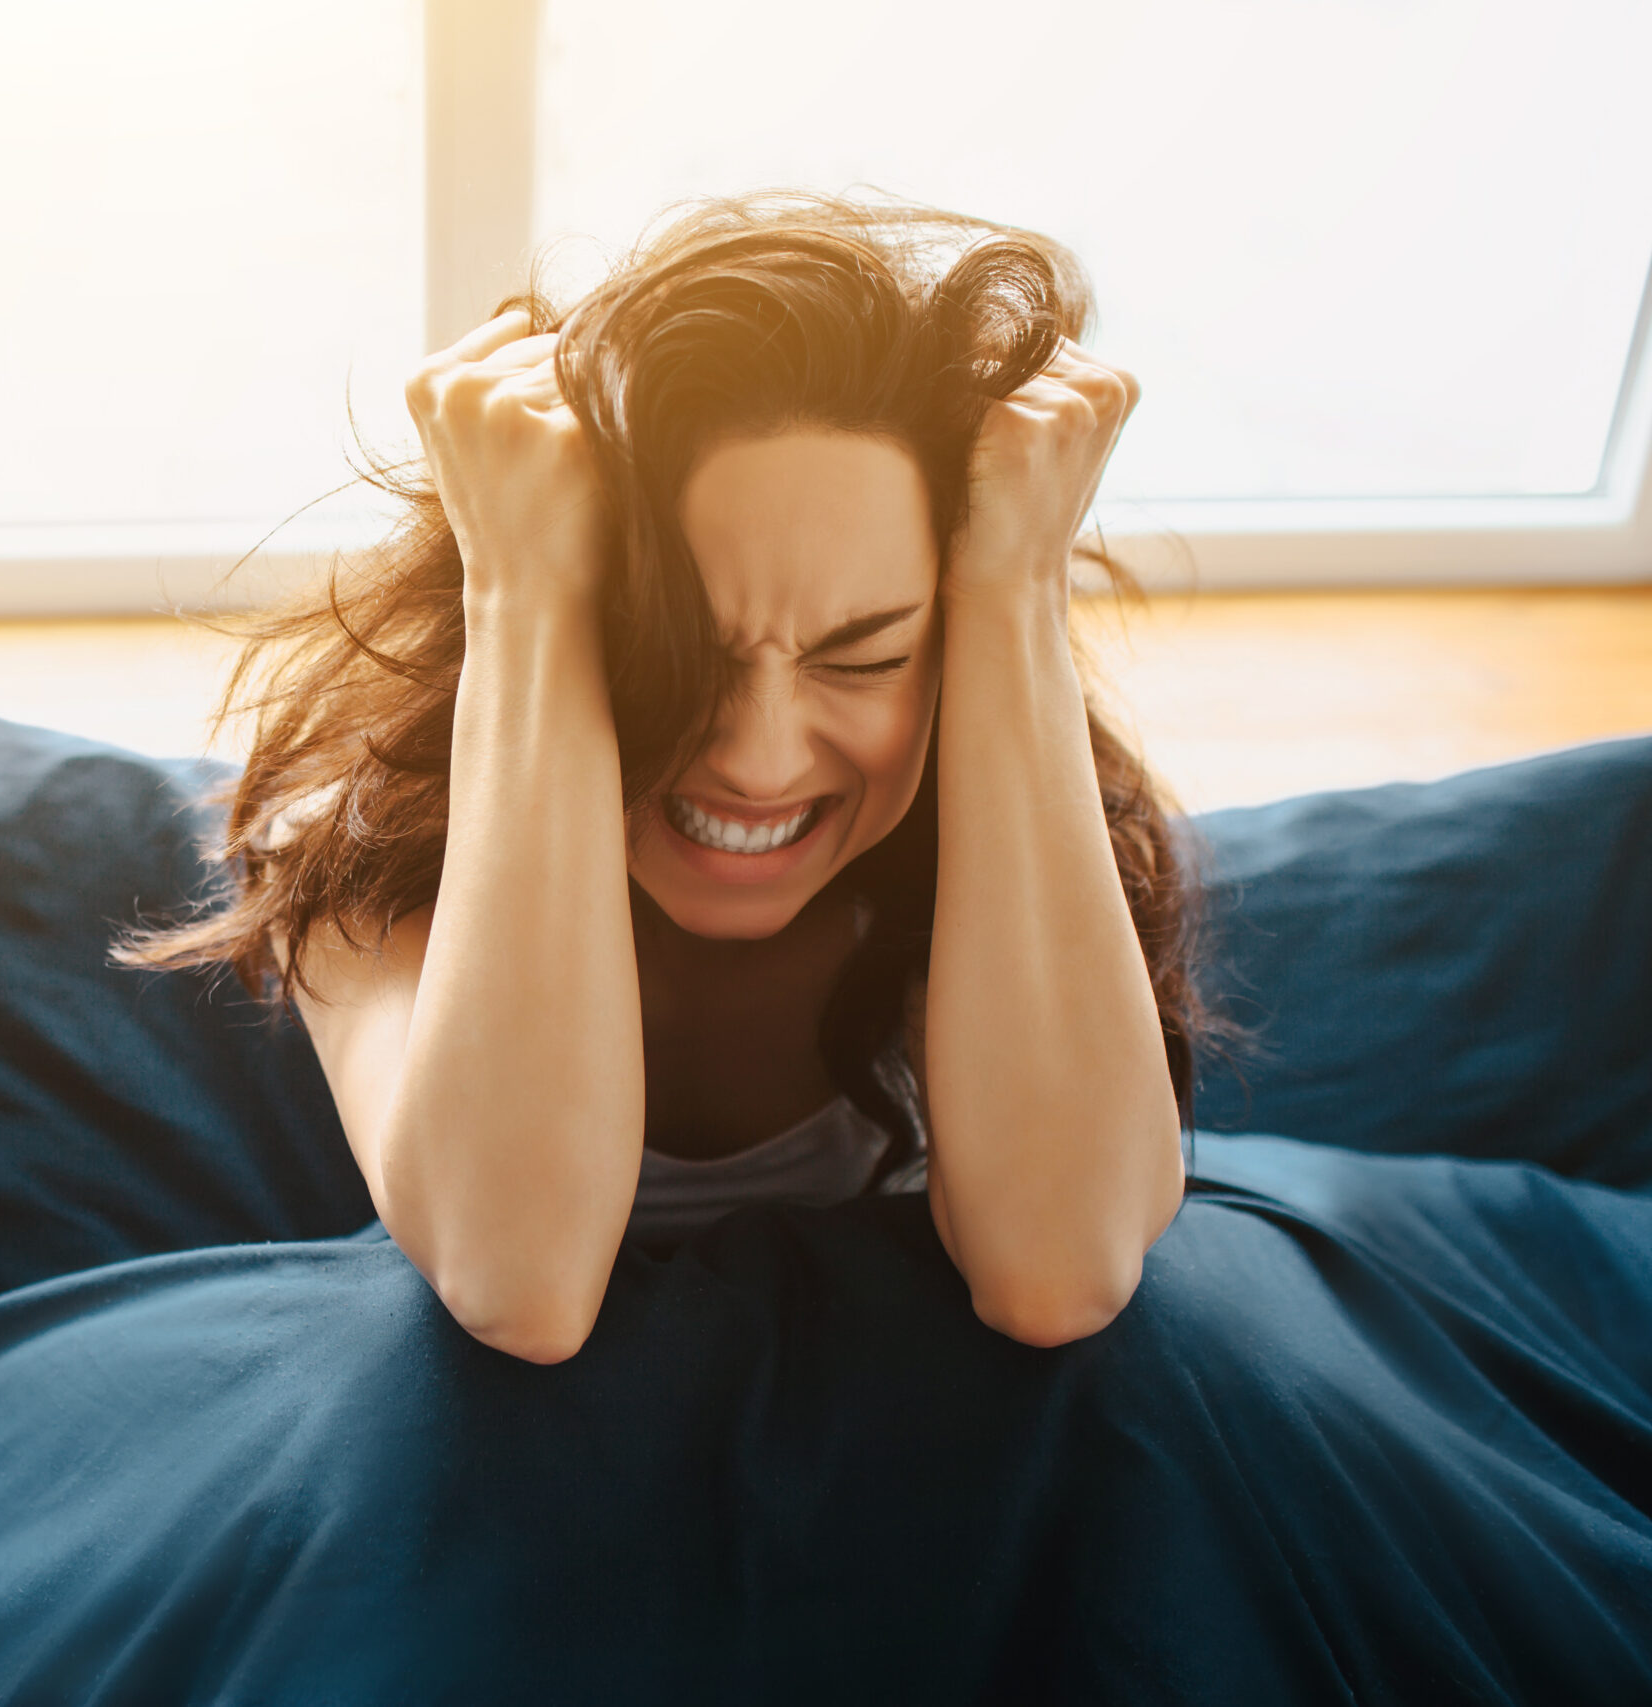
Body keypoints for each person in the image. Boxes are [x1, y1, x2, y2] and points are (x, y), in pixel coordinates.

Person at [127, 193, 1213, 1363]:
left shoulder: (1014, 802)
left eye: (866, 656)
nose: (759, 758)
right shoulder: (372, 833)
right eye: (668, 656)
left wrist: (1015, 589)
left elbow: (1059, 1274)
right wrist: (523, 591)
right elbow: (520, 1285)